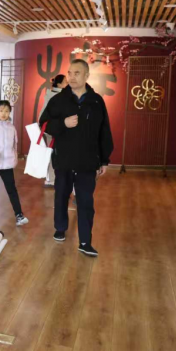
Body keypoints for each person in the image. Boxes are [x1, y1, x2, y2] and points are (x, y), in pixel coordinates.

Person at [39, 59, 113, 257]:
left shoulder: (96, 101)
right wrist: (62, 123)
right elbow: (43, 124)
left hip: (87, 162)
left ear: (87, 75)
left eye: (77, 73)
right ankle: (60, 228)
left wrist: (104, 160)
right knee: (61, 196)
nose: (72, 77)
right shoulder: (58, 100)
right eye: (70, 73)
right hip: (63, 159)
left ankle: (85, 241)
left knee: (85, 201)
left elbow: (104, 131)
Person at [39, 74, 68, 187]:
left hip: (50, 129)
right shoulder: (57, 96)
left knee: (51, 153)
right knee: (53, 154)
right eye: (65, 81)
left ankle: (51, 178)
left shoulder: (50, 94)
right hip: (53, 129)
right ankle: (51, 178)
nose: (67, 83)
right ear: (59, 84)